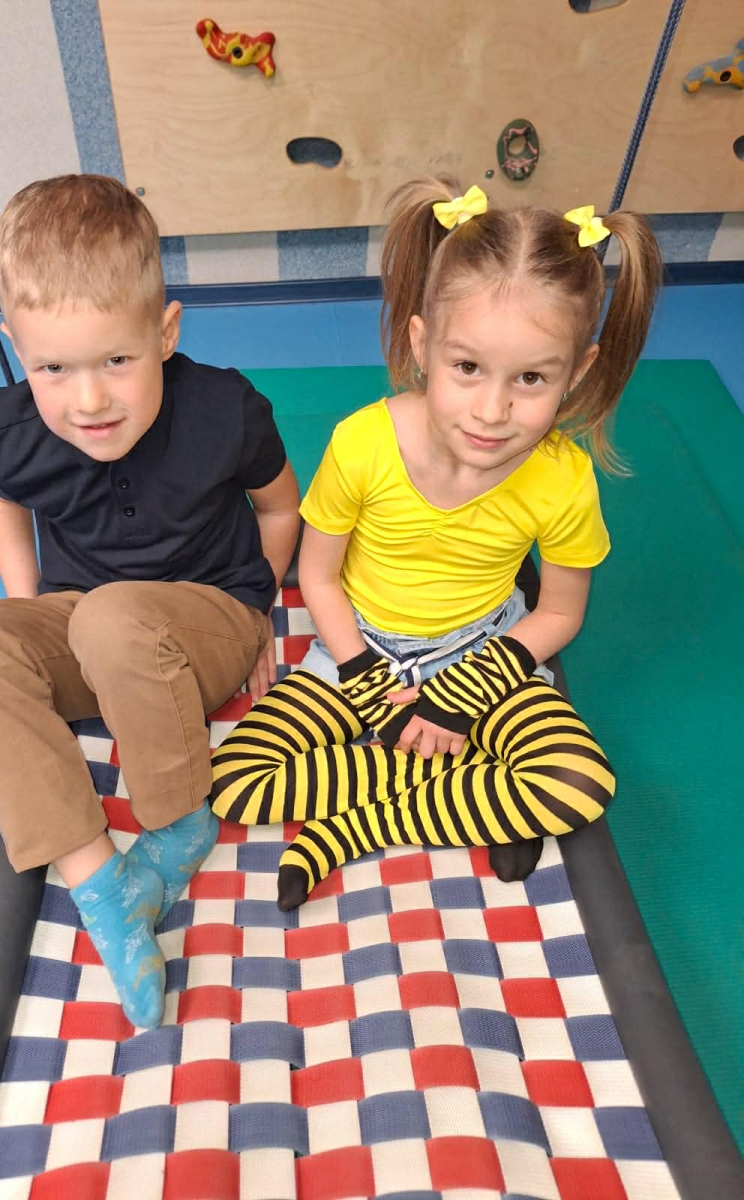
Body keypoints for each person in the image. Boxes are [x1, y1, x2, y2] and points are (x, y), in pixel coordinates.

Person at [211, 178, 662, 910]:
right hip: (360, 648)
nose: (493, 410)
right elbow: (317, 579)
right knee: (235, 780)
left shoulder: (564, 478)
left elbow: (559, 612)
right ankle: (471, 793)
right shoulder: (361, 443)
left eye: (531, 378)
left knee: (578, 781)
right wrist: (366, 683)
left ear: (578, 371)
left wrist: (467, 690)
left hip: (485, 654)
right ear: (422, 345)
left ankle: (354, 829)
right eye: (468, 368)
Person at [0, 175, 301, 1028]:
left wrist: (259, 612)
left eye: (117, 362)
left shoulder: (225, 411)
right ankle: (101, 881)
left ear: (165, 333)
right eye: (53, 369)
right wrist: (25, 600)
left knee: (111, 615)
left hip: (204, 618)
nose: (88, 401)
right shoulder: (10, 430)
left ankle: (179, 821)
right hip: (86, 628)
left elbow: (281, 508)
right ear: (17, 349)